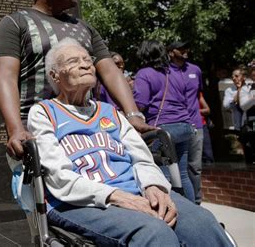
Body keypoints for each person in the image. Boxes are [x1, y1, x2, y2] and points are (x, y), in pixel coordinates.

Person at [27, 38, 232, 246]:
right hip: (79, 202)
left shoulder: (110, 112)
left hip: (135, 189)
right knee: (154, 232)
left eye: (88, 59)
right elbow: (59, 177)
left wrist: (153, 186)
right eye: (73, 61)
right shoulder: (43, 113)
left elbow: (142, 158)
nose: (85, 64)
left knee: (202, 222)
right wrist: (117, 197)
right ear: (54, 75)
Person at [0, 0, 152, 159]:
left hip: (88, 127)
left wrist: (133, 115)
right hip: (36, 132)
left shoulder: (85, 28)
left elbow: (110, 71)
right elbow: (5, 77)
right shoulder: (16, 23)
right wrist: (15, 129)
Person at [133, 40, 195, 202]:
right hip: (185, 126)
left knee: (162, 175)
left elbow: (140, 104)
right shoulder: (175, 72)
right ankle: (195, 209)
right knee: (182, 174)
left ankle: (174, 212)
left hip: (163, 129)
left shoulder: (144, 74)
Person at [167, 41, 205, 204]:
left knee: (194, 167)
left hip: (196, 124)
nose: (185, 51)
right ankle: (183, 203)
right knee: (175, 169)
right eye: (180, 48)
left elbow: (198, 95)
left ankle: (197, 202)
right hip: (176, 125)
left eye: (186, 47)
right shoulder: (165, 71)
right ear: (170, 52)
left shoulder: (195, 70)